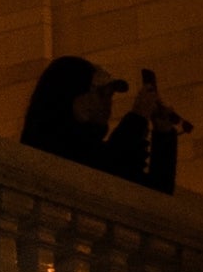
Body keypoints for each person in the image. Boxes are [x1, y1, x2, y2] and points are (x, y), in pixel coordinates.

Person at [20, 57, 188, 194]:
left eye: (110, 95)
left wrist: (163, 133)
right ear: (73, 96)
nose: (108, 103)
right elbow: (104, 169)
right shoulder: (49, 144)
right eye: (102, 94)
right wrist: (137, 118)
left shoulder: (90, 146)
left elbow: (155, 193)